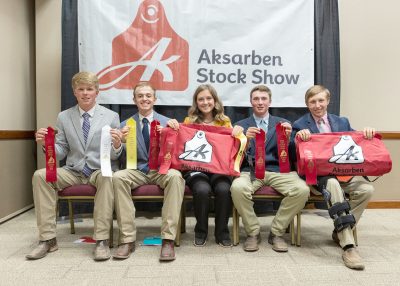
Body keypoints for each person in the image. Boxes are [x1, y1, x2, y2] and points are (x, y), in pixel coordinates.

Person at [27, 72, 123, 261]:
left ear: (97, 92)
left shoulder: (111, 116)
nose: (85, 93)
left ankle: (102, 240)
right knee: (40, 175)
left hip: (99, 169)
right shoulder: (64, 117)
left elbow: (112, 155)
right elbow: (61, 150)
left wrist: (118, 145)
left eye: (89, 89)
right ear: (74, 92)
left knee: (107, 177)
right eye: (81, 89)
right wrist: (47, 144)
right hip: (73, 170)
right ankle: (47, 239)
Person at [292, 84, 374, 270]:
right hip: (318, 178)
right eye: (312, 101)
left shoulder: (342, 122)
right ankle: (348, 245)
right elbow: (291, 152)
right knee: (332, 184)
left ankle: (339, 231)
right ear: (307, 104)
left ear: (328, 101)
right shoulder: (300, 124)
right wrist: (298, 138)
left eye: (321, 100)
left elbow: (356, 141)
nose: (317, 105)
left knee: (367, 189)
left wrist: (366, 133)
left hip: (344, 176)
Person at [230, 85, 309, 253]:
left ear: (270, 102)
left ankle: (276, 232)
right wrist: (243, 140)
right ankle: (253, 232)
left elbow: (294, 155)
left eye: (263, 99)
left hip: (277, 171)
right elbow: (233, 158)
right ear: (250, 102)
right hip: (249, 171)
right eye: (256, 99)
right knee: (237, 188)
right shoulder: (240, 126)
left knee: (301, 189)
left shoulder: (284, 124)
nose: (260, 102)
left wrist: (289, 140)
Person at [112, 82, 185, 261]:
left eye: (148, 95)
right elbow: (119, 158)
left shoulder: (168, 123)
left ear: (154, 99)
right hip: (136, 169)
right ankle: (127, 239)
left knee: (176, 177)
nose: (144, 99)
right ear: (134, 100)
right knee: (118, 177)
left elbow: (177, 152)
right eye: (140, 96)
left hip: (160, 169)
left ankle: (168, 239)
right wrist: (117, 143)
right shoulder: (125, 124)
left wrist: (168, 134)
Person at [168, 84, 242, 247]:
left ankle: (222, 232)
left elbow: (232, 146)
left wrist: (237, 132)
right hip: (196, 169)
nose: (205, 102)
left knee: (223, 190)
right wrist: (173, 124)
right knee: (202, 190)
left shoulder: (225, 122)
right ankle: (200, 231)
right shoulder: (189, 121)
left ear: (215, 101)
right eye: (201, 99)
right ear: (196, 102)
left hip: (219, 169)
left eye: (209, 98)